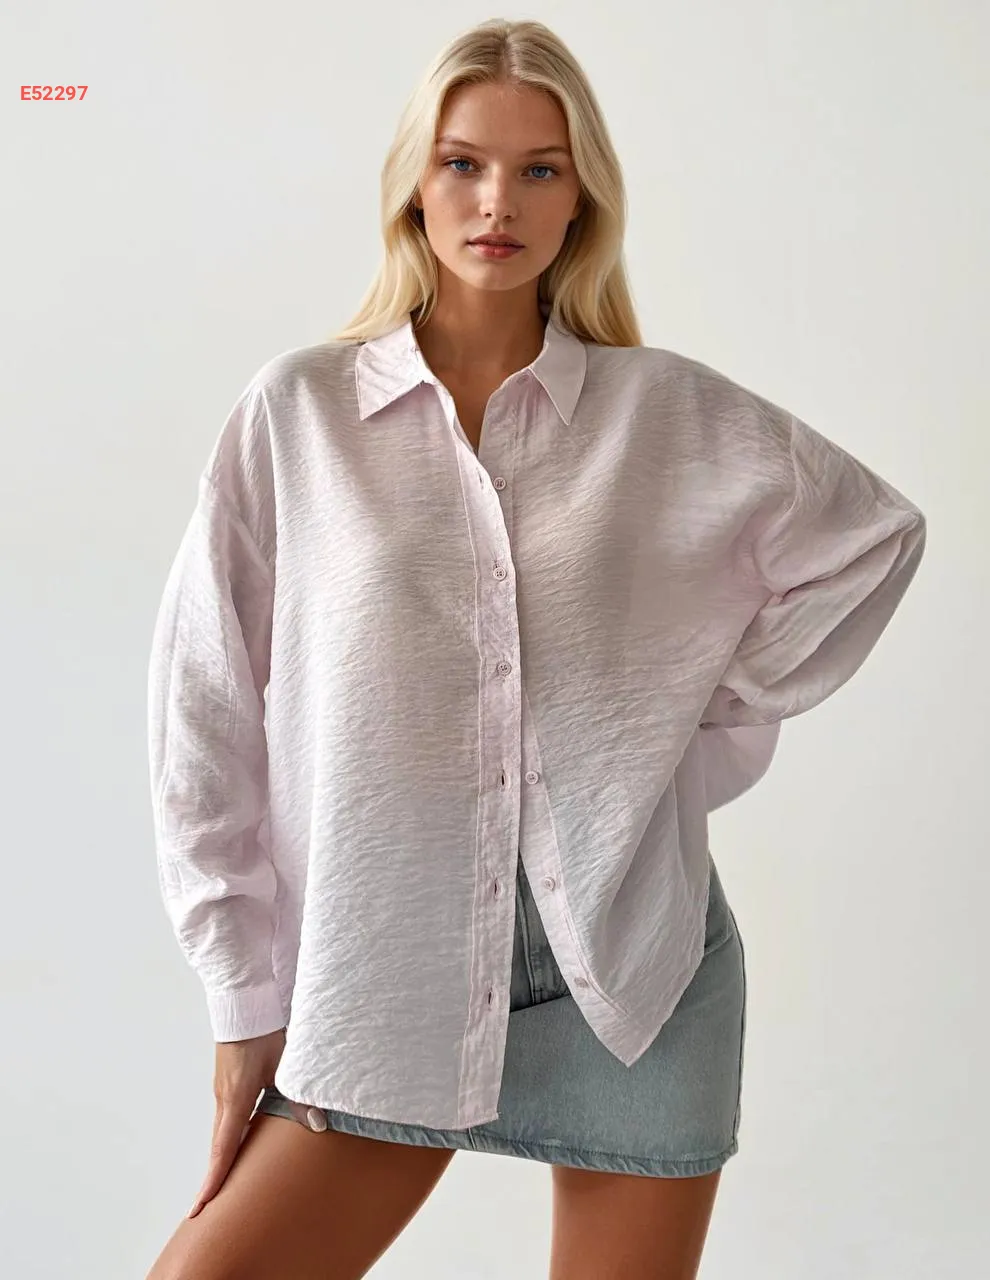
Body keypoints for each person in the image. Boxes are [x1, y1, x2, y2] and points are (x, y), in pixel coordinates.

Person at [144, 17, 926, 1280]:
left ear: (581, 199)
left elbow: (872, 539)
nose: (497, 201)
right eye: (462, 162)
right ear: (414, 182)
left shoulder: (662, 412)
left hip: (634, 974)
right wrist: (242, 996)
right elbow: (205, 709)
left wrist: (680, 720)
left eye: (538, 169)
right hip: (383, 966)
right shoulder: (299, 414)